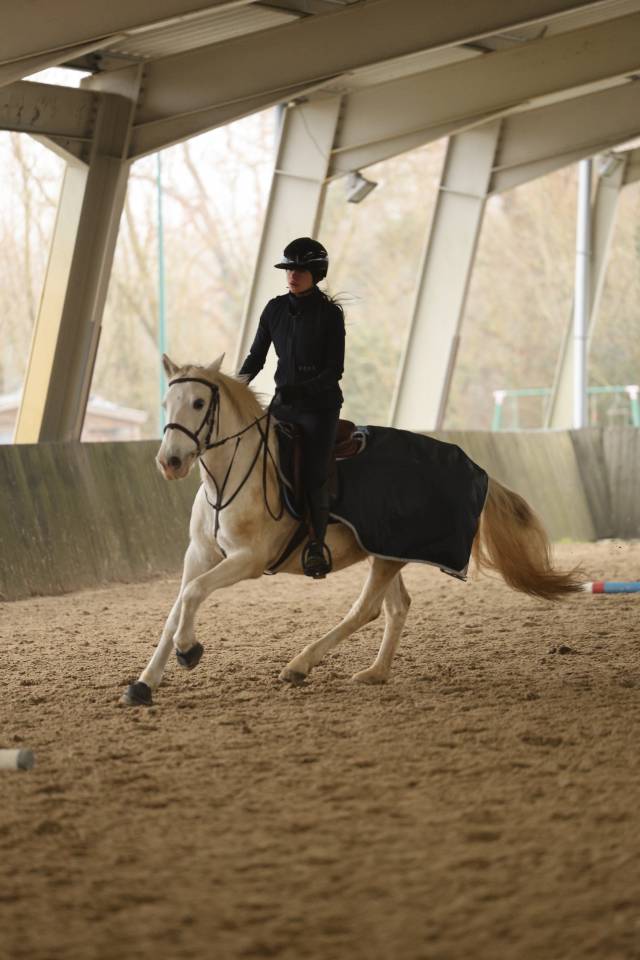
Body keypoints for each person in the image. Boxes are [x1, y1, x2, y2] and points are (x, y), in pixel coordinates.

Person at [238, 237, 345, 578]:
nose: (292, 275)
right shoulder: (273, 309)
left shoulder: (330, 315)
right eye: (288, 269)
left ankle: (316, 544)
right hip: (284, 405)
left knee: (314, 472)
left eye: (299, 270)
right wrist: (233, 388)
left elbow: (334, 371)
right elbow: (257, 357)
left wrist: (301, 391)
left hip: (320, 408)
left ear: (315, 273)